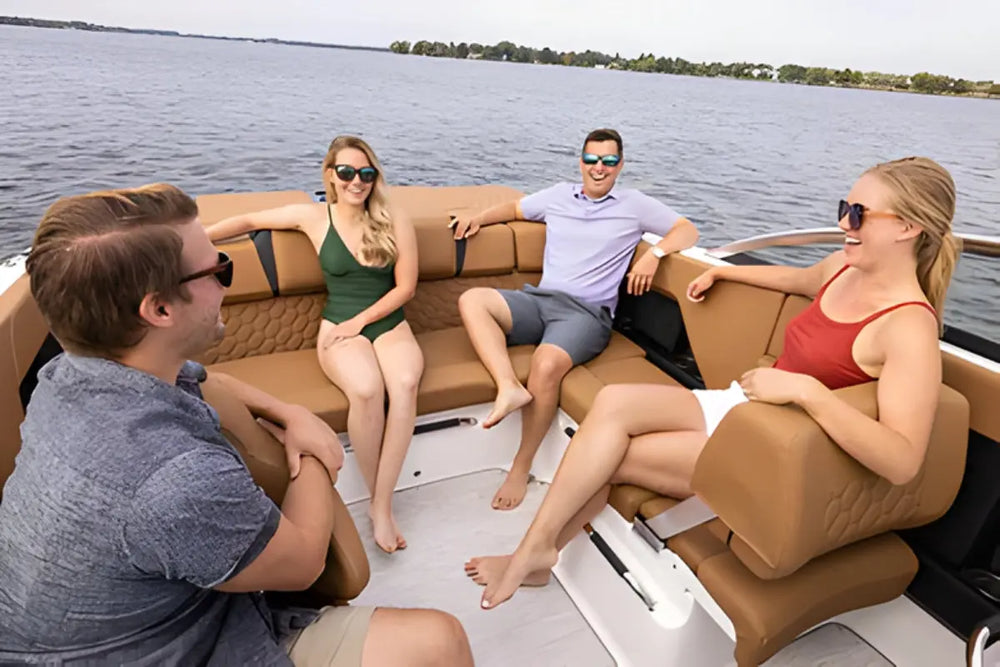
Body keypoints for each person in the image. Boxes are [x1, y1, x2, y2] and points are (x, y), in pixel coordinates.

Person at [0, 184, 473, 666]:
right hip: (165, 649)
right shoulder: (175, 479)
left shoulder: (63, 377)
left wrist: (288, 412)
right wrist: (312, 450)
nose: (229, 280)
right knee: (440, 641)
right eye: (219, 270)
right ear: (159, 309)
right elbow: (304, 562)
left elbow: (206, 378)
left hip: (118, 620)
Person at [465, 156, 960, 610]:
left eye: (858, 213)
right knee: (613, 403)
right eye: (844, 208)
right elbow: (796, 280)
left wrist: (807, 393)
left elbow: (901, 460)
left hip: (774, 448)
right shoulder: (842, 269)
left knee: (611, 455)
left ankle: (530, 557)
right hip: (743, 407)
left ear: (908, 227)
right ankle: (535, 553)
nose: (842, 224)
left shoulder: (908, 327)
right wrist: (726, 277)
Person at [450, 128, 699, 511]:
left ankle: (521, 466)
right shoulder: (558, 195)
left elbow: (688, 229)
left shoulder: (634, 205)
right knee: (473, 300)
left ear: (620, 165)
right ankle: (508, 386)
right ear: (580, 161)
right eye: (592, 159)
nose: (599, 168)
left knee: (546, 364)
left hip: (587, 314)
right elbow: (516, 210)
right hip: (540, 300)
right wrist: (477, 218)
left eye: (609, 161)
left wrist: (655, 254)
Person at [206, 136, 422, 553]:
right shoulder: (314, 217)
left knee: (406, 383)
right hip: (338, 323)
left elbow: (406, 287)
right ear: (330, 175)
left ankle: (381, 502)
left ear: (375, 177)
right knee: (365, 389)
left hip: (386, 321)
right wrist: (199, 238)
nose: (356, 182)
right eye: (346, 173)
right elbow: (251, 220)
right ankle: (380, 505)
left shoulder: (395, 218)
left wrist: (364, 321)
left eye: (366, 173)